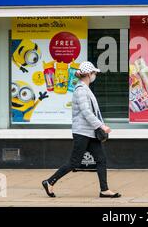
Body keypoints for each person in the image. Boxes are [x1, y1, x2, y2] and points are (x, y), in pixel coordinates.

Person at [41, 61, 121, 198]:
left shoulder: (85, 88)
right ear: (89, 74)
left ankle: (104, 190)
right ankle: (49, 182)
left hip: (89, 132)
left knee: (101, 159)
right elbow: (86, 112)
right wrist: (101, 126)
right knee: (74, 162)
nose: (95, 75)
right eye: (94, 73)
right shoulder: (80, 90)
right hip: (82, 133)